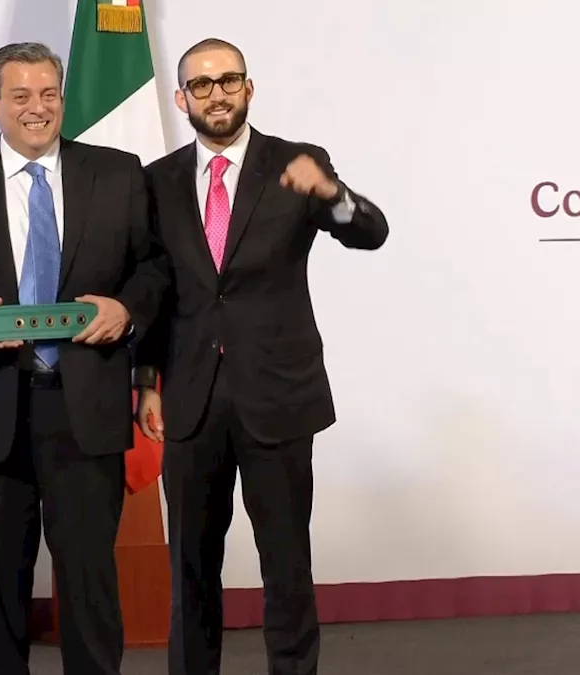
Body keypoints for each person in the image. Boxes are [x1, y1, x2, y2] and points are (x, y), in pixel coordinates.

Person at [0, 42, 167, 675]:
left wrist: (127, 309)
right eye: (20, 96)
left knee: (92, 584)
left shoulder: (120, 172)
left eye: (48, 94)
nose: (36, 109)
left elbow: (155, 268)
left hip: (88, 409)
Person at [133, 38, 389, 675]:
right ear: (181, 97)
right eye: (202, 84)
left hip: (277, 394)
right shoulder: (156, 181)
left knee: (286, 565)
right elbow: (155, 288)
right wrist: (147, 381)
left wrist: (332, 194)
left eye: (228, 81)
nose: (215, 94)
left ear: (249, 88)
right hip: (189, 399)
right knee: (190, 567)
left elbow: (371, 232)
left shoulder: (299, 163)